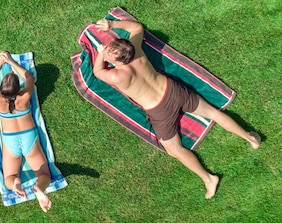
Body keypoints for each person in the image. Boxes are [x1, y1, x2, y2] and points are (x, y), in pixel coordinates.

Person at [92, 18, 261, 199]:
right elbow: (136, 27)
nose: (108, 49)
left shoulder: (117, 76)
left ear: (118, 60)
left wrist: (101, 53)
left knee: (174, 150)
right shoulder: (136, 51)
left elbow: (98, 72)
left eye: (111, 50)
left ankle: (209, 179)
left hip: (159, 111)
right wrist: (112, 25)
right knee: (213, 113)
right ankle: (250, 138)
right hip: (173, 90)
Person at [0, 52, 52, 212]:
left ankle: (15, 183)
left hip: (10, 140)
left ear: (2, 90)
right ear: (18, 88)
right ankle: (39, 189)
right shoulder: (25, 96)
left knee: (9, 177)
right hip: (28, 136)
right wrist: (11, 62)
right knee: (44, 174)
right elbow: (29, 76)